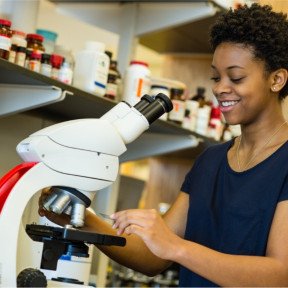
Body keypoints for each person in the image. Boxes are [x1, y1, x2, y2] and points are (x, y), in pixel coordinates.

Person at [39, 3, 288, 287]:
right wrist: (81, 217)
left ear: (277, 79)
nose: (220, 88)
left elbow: (280, 274)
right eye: (216, 77)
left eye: (237, 77)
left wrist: (177, 248)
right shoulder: (211, 161)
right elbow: (153, 257)